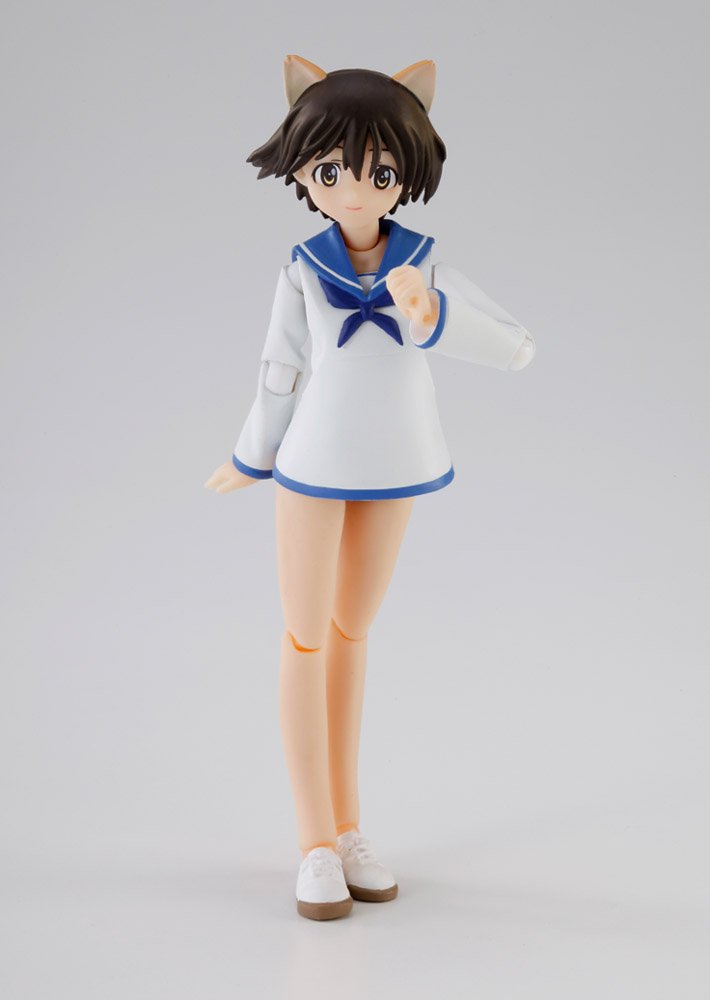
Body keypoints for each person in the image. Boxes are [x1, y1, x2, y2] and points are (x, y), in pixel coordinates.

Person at [205, 55, 536, 920]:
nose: (354, 191)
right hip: (313, 465)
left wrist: (433, 316)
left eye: (379, 173)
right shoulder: (300, 268)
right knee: (306, 637)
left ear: (406, 175)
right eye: (331, 172)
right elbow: (280, 370)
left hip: (395, 465)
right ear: (305, 176)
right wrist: (250, 454)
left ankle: (349, 828)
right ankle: (314, 839)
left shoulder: (425, 262)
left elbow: (515, 344)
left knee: (352, 634)